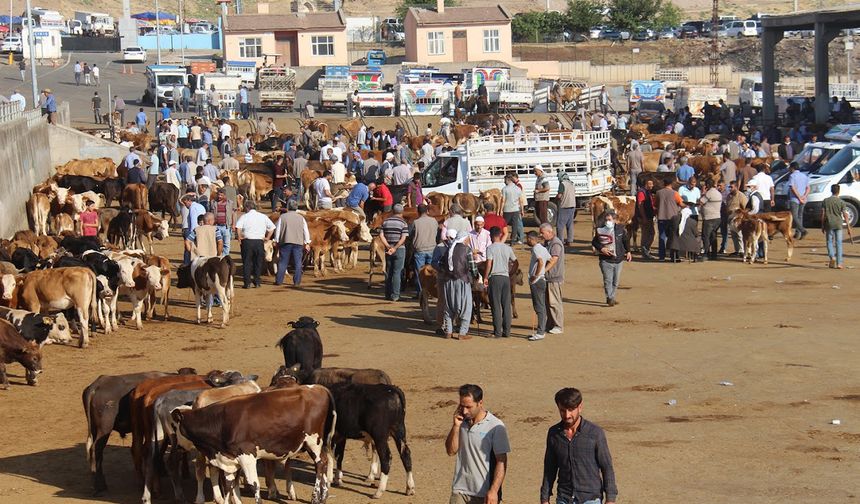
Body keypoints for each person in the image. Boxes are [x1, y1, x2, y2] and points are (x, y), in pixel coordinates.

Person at [540, 387, 618, 504]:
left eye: (571, 410)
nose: (567, 415)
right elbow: (549, 468)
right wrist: (544, 498)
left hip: (590, 499)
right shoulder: (554, 434)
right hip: (564, 498)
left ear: (580, 407)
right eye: (562, 410)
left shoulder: (595, 433)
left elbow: (606, 467)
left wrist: (610, 499)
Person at [446, 384, 509, 504]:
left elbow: (502, 461)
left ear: (480, 403)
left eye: (469, 407)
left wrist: (494, 491)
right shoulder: (461, 422)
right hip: (460, 490)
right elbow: (451, 451)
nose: (464, 411)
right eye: (462, 406)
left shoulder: (495, 426)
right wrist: (456, 427)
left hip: (484, 493)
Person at [440, 230, 476, 340]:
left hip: (448, 281)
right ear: (465, 238)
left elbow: (441, 264)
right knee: (466, 306)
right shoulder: (467, 250)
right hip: (463, 281)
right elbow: (473, 267)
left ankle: (449, 332)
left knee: (448, 306)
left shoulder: (449, 249)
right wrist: (476, 276)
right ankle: (462, 333)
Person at [592, 210, 631, 307]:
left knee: (616, 281)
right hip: (606, 260)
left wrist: (628, 251)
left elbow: (626, 241)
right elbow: (594, 242)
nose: (607, 222)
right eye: (606, 220)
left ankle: (612, 296)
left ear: (615, 220)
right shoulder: (601, 230)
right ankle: (609, 297)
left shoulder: (621, 229)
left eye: (609, 219)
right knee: (608, 280)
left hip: (618, 260)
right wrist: (602, 248)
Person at [483, 227, 517, 339]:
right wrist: (511, 272)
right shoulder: (507, 248)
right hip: (506, 278)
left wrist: (486, 277)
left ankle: (497, 332)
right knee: (506, 305)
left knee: (496, 305)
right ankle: (507, 331)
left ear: (491, 236)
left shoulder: (490, 248)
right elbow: (515, 261)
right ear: (500, 235)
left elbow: (488, 264)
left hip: (495, 278)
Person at [235, 200, 275, 288]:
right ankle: (257, 281)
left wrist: (239, 237)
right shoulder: (263, 216)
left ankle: (247, 283)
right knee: (258, 262)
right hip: (259, 242)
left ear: (247, 207)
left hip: (247, 242)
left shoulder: (244, 216)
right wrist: (267, 237)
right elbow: (272, 228)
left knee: (247, 262)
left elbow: (238, 227)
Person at [274, 199, 311, 286]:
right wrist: (307, 242)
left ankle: (279, 281)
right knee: (298, 262)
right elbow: (305, 231)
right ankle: (297, 282)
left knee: (283, 262)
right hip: (298, 242)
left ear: (288, 207)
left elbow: (278, 230)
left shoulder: (282, 217)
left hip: (285, 242)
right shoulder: (301, 218)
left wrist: (276, 240)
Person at [525, 230, 552, 341]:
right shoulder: (543, 248)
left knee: (539, 307)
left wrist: (535, 275)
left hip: (537, 281)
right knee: (541, 306)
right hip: (542, 280)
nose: (527, 241)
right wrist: (543, 272)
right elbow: (550, 260)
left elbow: (541, 262)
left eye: (527, 239)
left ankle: (540, 332)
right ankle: (541, 329)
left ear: (532, 239)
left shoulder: (536, 248)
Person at [380, 204, 409, 302]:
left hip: (388, 249)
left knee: (389, 271)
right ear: (402, 212)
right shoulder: (403, 223)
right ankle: (395, 295)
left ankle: (387, 294)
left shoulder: (385, 222)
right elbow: (403, 238)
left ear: (392, 211)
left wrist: (388, 246)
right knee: (397, 272)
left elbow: (381, 236)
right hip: (399, 249)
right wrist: (395, 247)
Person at [541, 223, 565, 334]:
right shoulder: (547, 243)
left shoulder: (556, 244)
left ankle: (558, 325)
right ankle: (550, 324)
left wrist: (543, 271)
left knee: (554, 302)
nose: (541, 235)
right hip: (548, 277)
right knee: (548, 303)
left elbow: (554, 260)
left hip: (554, 277)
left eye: (543, 233)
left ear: (550, 232)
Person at [411, 204, 438, 297]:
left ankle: (421, 293)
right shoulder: (434, 221)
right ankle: (431, 292)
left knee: (420, 273)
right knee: (432, 273)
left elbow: (411, 235)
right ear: (427, 211)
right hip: (432, 249)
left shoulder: (415, 222)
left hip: (419, 249)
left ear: (418, 212)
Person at [822, 184, 850, 269]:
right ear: (838, 191)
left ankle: (832, 257)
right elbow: (845, 214)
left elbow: (823, 214)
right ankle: (839, 263)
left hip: (829, 224)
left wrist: (822, 226)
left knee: (829, 241)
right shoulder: (841, 202)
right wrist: (848, 226)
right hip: (838, 224)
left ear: (831, 191)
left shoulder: (825, 201)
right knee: (839, 243)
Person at [656, 180, 683, 262]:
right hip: (672, 218)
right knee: (673, 237)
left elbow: (656, 203)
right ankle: (672, 256)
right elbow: (681, 203)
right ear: (671, 184)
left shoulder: (658, 193)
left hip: (661, 217)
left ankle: (661, 256)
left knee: (662, 237)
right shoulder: (675, 193)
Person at [699, 178, 723, 260]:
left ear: (707, 185)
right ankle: (714, 254)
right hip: (717, 217)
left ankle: (706, 254)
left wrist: (703, 192)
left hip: (709, 218)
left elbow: (701, 202)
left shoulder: (709, 193)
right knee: (713, 236)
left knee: (706, 236)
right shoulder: (718, 193)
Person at [181, 195, 206, 264]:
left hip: (195, 231)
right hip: (202, 230)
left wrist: (192, 235)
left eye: (185, 203)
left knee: (188, 249)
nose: (185, 206)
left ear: (189, 200)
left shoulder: (192, 208)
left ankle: (187, 264)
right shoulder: (200, 206)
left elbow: (193, 221)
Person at [788, 162, 809, 239]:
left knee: (794, 216)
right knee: (800, 216)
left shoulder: (792, 176)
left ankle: (802, 230)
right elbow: (808, 188)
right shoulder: (804, 176)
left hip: (795, 199)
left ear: (792, 168)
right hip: (803, 199)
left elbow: (792, 188)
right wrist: (804, 196)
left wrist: (799, 197)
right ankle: (798, 232)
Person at [636, 178, 656, 259]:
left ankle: (646, 250)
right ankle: (645, 251)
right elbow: (640, 205)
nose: (652, 185)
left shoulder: (648, 192)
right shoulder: (641, 192)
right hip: (645, 217)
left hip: (649, 216)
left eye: (652, 184)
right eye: (650, 184)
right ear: (646, 184)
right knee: (647, 234)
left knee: (650, 233)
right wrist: (643, 217)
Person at [501, 175, 524, 245]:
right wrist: (522, 210)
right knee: (515, 225)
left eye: (504, 180)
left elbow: (503, 201)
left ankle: (502, 237)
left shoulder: (505, 189)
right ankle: (513, 240)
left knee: (504, 224)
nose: (504, 181)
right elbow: (521, 200)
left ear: (508, 180)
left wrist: (500, 210)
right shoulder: (518, 189)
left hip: (507, 210)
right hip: (516, 209)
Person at [212, 190, 236, 256]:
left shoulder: (230, 203)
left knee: (226, 244)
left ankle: (224, 258)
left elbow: (233, 214)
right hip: (216, 226)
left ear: (225, 195)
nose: (219, 196)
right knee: (217, 243)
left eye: (221, 195)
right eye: (218, 195)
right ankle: (218, 257)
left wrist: (233, 224)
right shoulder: (213, 202)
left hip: (226, 227)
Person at [556, 173, 576, 247]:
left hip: (564, 206)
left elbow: (559, 195)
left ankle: (560, 241)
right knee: (570, 224)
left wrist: (556, 198)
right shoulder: (572, 183)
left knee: (560, 225)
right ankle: (569, 240)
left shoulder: (562, 184)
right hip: (572, 205)